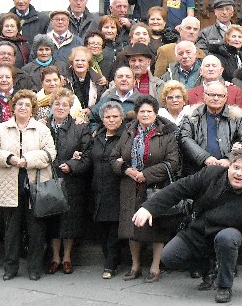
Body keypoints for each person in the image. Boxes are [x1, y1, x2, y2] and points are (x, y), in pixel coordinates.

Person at [132, 148, 242, 303]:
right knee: (168, 257)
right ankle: (209, 267)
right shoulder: (211, 174)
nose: (239, 173)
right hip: (201, 229)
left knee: (227, 237)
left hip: (231, 236)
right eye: (236, 168)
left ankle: (224, 286)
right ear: (229, 167)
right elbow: (179, 188)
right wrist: (149, 207)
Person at [0, 90, 56, 281]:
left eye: (27, 105)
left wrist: (27, 160)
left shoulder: (42, 129)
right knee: (11, 230)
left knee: (36, 230)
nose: (23, 108)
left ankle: (34, 268)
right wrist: (9, 158)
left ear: (33, 109)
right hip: (11, 184)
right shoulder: (2, 128)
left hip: (36, 185)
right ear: (13, 108)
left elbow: (50, 153)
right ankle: (10, 268)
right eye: (19, 105)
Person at [111, 96, 179, 283]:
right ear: (137, 113)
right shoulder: (129, 131)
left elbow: (172, 163)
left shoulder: (166, 133)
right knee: (132, 227)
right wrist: (126, 169)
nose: (145, 114)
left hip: (154, 187)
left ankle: (155, 267)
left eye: (149, 111)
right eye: (142, 111)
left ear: (156, 113)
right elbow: (114, 157)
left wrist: (146, 174)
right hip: (130, 185)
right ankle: (135, 266)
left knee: (156, 227)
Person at [44, 88, 91, 275]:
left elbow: (87, 154)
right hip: (49, 178)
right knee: (53, 219)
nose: (61, 107)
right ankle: (55, 257)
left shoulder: (80, 127)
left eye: (65, 104)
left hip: (71, 180)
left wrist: (72, 165)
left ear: (71, 107)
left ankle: (67, 257)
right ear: (51, 105)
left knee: (69, 220)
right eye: (57, 104)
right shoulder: (43, 126)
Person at [84, 101, 126, 278]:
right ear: (102, 119)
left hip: (117, 187)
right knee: (102, 226)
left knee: (114, 227)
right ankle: (108, 258)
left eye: (115, 116)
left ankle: (111, 264)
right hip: (98, 187)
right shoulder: (98, 135)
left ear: (122, 118)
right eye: (107, 117)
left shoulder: (126, 136)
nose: (111, 120)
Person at [180, 80, 242, 175]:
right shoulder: (192, 117)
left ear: (226, 98)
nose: (216, 98)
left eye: (220, 95)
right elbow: (185, 139)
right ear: (204, 96)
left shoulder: (236, 118)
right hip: (197, 171)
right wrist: (205, 158)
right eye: (212, 95)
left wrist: (229, 159)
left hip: (228, 171)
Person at [90, 66, 143, 133]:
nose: (124, 79)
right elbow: (93, 120)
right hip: (109, 141)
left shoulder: (143, 101)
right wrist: (94, 131)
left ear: (134, 82)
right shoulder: (106, 99)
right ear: (114, 81)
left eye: (128, 77)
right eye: (120, 77)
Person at [63, 46, 105, 112]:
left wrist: (90, 110)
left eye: (83, 60)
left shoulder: (99, 80)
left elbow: (103, 102)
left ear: (89, 64)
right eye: (77, 60)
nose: (80, 63)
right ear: (72, 63)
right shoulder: (64, 80)